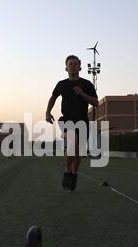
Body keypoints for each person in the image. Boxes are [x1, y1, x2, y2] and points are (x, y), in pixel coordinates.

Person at [46, 55, 99, 192]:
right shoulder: (61, 84)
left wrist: (82, 93)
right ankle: (67, 170)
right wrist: (48, 112)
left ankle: (74, 173)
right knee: (72, 143)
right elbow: (53, 97)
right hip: (67, 120)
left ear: (80, 67)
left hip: (82, 121)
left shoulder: (87, 84)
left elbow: (95, 103)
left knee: (78, 152)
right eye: (71, 64)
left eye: (76, 64)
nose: (73, 65)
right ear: (66, 67)